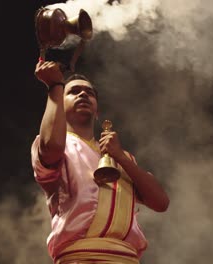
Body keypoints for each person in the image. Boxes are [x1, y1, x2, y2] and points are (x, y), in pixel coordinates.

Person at [31, 60, 169, 264]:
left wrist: (121, 157)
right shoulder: (56, 146)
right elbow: (51, 147)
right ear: (61, 103)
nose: (83, 95)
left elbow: (161, 202)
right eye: (74, 91)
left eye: (90, 93)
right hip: (80, 258)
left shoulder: (121, 157)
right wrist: (54, 87)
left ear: (97, 111)